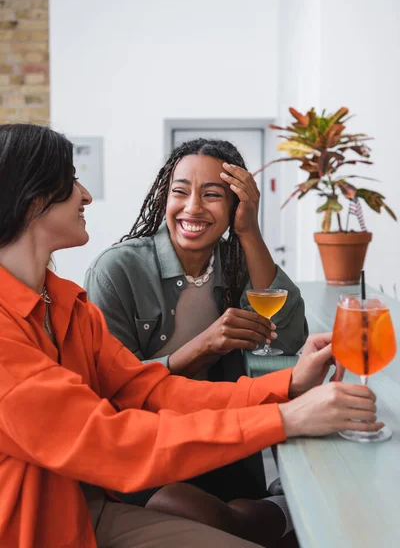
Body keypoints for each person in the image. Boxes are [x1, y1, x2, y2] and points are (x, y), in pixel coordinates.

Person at [0, 124, 382, 548]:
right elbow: (112, 442)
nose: (86, 194)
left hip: (88, 501)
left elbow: (149, 390)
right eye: (71, 180)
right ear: (33, 199)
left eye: (213, 194)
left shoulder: (68, 306)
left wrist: (289, 384)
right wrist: (286, 418)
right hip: (37, 526)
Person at [84, 139, 308, 505]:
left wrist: (249, 232)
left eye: (212, 195)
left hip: (226, 441)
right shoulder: (117, 270)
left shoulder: (236, 262)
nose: (192, 207)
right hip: (151, 449)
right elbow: (110, 392)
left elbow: (288, 336)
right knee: (186, 509)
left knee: (264, 506)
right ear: (164, 198)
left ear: (237, 205)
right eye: (180, 192)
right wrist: (199, 349)